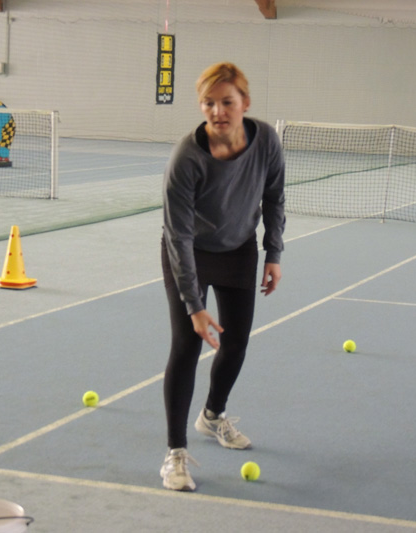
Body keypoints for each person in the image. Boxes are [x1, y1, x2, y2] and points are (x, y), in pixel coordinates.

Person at [159, 62, 285, 492]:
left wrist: (273, 253)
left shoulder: (266, 141)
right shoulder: (186, 157)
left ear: (244, 103)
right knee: (186, 344)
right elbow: (177, 236)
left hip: (237, 249)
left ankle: (213, 415)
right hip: (189, 252)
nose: (218, 111)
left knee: (236, 343)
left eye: (227, 102)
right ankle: (175, 453)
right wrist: (194, 305)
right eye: (208, 103)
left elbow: (274, 196)